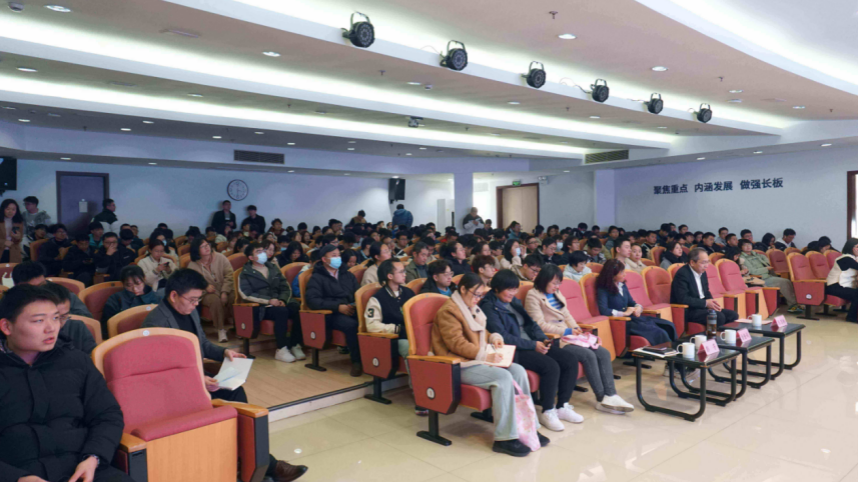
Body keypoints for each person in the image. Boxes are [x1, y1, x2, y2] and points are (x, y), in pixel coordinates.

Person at [142, 269, 307, 482]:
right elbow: (158, 370)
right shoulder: (155, 323)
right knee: (232, 407)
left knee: (236, 393)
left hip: (196, 376)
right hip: (175, 388)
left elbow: (202, 344)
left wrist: (224, 352)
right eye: (192, 300)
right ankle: (263, 464)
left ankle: (249, 461)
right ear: (173, 295)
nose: (196, 304)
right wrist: (197, 380)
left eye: (198, 299)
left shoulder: (190, 311)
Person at [0, 284, 133, 482]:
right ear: (6, 327)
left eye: (55, 318)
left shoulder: (76, 361)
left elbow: (107, 415)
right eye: (38, 320)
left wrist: (93, 458)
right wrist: (16, 477)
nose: (51, 328)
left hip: (83, 468)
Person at [432, 273, 545, 456]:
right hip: (458, 364)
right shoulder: (449, 311)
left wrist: (494, 337)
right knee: (503, 377)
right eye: (476, 294)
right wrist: (485, 354)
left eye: (481, 295)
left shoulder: (471, 307)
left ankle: (528, 428)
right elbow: (456, 344)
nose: (478, 299)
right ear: (463, 289)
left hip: (477, 359)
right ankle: (505, 438)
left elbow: (482, 332)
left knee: (518, 370)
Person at [481, 269, 584, 432]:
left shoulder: (513, 302)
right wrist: (532, 345)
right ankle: (547, 410)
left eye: (515, 289)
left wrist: (542, 339)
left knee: (569, 359)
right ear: (497, 288)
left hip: (532, 342)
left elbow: (531, 324)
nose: (513, 293)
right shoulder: (489, 306)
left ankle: (562, 406)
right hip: (514, 350)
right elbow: (504, 337)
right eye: (509, 289)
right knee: (550, 366)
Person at [525, 264, 633, 414]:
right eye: (554, 283)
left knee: (603, 352)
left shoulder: (556, 293)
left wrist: (576, 329)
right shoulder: (533, 296)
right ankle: (601, 399)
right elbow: (539, 325)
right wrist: (566, 331)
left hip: (569, 335)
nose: (557, 286)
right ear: (544, 280)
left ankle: (611, 394)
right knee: (588, 355)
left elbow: (567, 314)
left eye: (559, 283)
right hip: (555, 339)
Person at [239, 243, 304, 362]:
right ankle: (281, 349)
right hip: (262, 307)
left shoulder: (273, 268)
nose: (263, 253)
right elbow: (246, 294)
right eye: (258, 252)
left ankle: (295, 344)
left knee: (296, 307)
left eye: (263, 251)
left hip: (278, 301)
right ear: (251, 257)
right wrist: (268, 300)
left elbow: (285, 287)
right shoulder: (245, 273)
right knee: (281, 311)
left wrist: (282, 299)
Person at [305, 245, 362, 376]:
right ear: (324, 259)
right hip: (332, 313)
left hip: (351, 308)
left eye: (339, 255)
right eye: (334, 255)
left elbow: (358, 293)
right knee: (352, 325)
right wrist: (337, 307)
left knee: (369, 320)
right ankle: (357, 362)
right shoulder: (317, 277)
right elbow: (312, 301)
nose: (338, 258)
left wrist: (355, 305)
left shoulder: (347, 274)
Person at [596, 259, 677, 346]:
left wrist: (638, 307)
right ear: (612, 275)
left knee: (668, 325)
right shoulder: (603, 289)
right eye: (621, 272)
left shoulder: (622, 285)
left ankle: (675, 349)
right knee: (659, 332)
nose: (625, 274)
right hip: (622, 323)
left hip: (634, 318)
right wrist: (623, 313)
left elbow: (631, 302)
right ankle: (665, 352)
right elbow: (603, 310)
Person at [671, 248, 739, 329]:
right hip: (690, 309)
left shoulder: (702, 272)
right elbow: (683, 299)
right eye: (703, 263)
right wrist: (706, 303)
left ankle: (724, 334)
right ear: (692, 262)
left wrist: (712, 304)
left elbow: (706, 292)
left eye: (708, 262)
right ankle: (711, 335)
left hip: (702, 307)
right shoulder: (682, 274)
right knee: (718, 317)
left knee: (733, 315)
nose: (706, 266)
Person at [186, 239, 235, 342]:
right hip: (206, 293)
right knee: (215, 300)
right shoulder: (193, 265)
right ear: (196, 250)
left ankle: (238, 327)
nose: (207, 247)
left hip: (224, 287)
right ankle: (220, 329)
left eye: (207, 245)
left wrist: (224, 292)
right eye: (203, 246)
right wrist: (205, 286)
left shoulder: (220, 258)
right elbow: (192, 283)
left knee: (233, 296)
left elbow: (229, 276)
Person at [738, 239, 800, 313]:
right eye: (745, 245)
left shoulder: (757, 254)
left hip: (768, 275)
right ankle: (794, 305)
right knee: (784, 282)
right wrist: (766, 269)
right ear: (741, 247)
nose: (748, 246)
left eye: (749, 244)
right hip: (760, 279)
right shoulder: (742, 258)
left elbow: (767, 263)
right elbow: (752, 271)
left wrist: (766, 267)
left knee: (789, 281)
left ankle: (795, 304)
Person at [12, 261, 93, 317]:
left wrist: (61, 315)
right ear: (17, 286)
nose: (38, 291)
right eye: (32, 288)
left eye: (41, 285)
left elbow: (86, 318)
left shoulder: (62, 293)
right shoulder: (11, 299)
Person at [102, 265, 161, 338]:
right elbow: (106, 328)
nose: (135, 289)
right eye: (129, 285)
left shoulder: (157, 297)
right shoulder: (115, 299)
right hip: (124, 338)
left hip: (153, 336)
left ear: (144, 279)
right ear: (123, 284)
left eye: (138, 284)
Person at [43, 281, 96, 354]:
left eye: (63, 316)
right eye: (54, 318)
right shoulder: (33, 334)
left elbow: (91, 356)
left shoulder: (78, 328)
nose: (59, 324)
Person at [826, 238, 858, 323]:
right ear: (851, 247)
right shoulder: (845, 258)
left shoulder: (854, 258)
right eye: (857, 247)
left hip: (843, 285)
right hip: (834, 286)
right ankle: (851, 317)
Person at [0, 199, 23, 263]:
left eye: (13, 209)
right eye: (8, 209)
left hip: (13, 250)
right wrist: (3, 242)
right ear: (3, 209)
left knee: (13, 268)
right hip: (1, 249)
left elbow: (19, 240)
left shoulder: (19, 222)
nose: (10, 211)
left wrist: (17, 237)